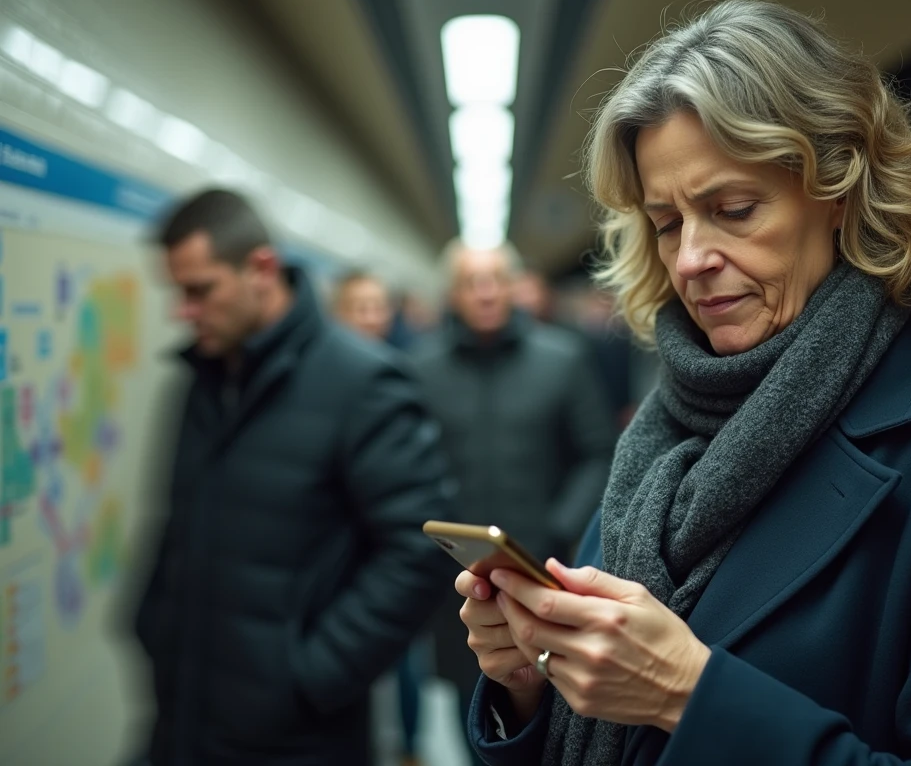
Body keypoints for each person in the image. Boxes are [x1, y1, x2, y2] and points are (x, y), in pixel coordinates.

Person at [453, 0, 911, 766]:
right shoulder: (660, 434)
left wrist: (688, 695)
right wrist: (529, 680)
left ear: (841, 193)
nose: (689, 258)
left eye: (734, 209)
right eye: (666, 222)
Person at [133, 189, 455, 766]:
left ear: (260, 268)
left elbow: (419, 547)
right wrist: (151, 623)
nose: (183, 311)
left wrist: (312, 676)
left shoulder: (363, 382)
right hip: (185, 717)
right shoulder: (203, 381)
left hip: (298, 739)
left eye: (199, 290)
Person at [411, 240, 616, 762]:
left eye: (495, 279)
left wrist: (559, 525)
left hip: (548, 572)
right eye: (470, 282)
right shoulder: (420, 370)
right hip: (460, 584)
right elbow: (406, 467)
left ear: (514, 286)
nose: (485, 293)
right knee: (473, 711)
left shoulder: (561, 359)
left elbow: (597, 452)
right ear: (452, 295)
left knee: (555, 706)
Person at [329, 269, 430, 766]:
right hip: (337, 559)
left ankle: (410, 746)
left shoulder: (403, 376)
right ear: (337, 313)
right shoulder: (318, 387)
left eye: (378, 307)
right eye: (359, 307)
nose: (371, 318)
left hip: (388, 554)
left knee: (404, 659)